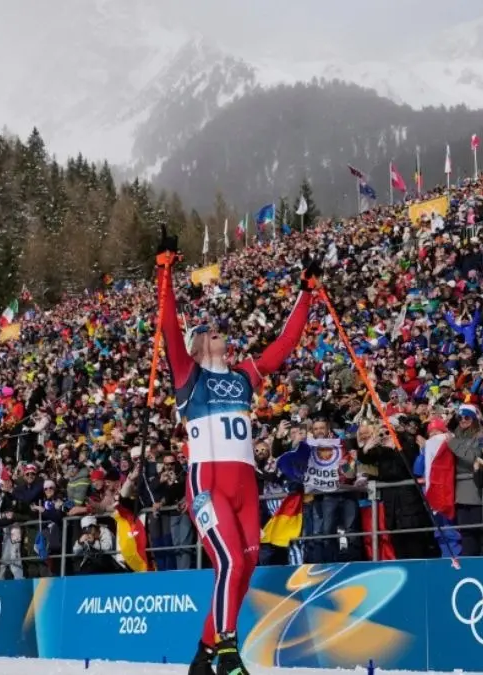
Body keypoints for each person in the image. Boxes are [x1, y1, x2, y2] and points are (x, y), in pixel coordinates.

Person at [155, 231, 319, 675]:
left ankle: (204, 654)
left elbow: (282, 346)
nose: (217, 331)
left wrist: (306, 294)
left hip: (246, 488)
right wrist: (164, 270)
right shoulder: (189, 377)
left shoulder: (245, 376)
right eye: (207, 331)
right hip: (208, 487)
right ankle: (228, 649)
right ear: (195, 346)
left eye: (217, 328)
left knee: (244, 568)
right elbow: (168, 326)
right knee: (229, 560)